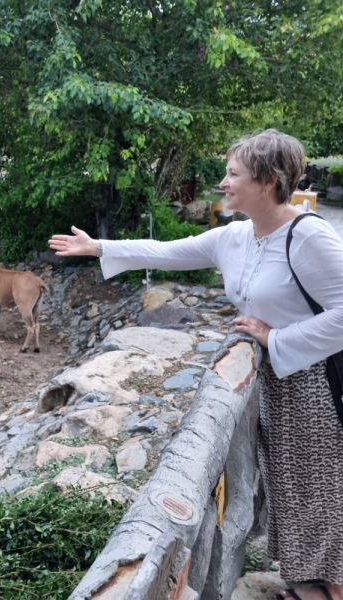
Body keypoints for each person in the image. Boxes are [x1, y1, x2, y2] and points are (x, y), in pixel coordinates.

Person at [48, 129, 343, 600]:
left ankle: (333, 587)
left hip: (318, 386)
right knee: (291, 482)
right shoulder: (236, 236)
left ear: (268, 181)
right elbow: (168, 251)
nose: (222, 183)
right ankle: (312, 584)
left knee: (323, 491)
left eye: (232, 174)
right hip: (278, 380)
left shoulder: (308, 237)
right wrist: (101, 248)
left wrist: (275, 337)